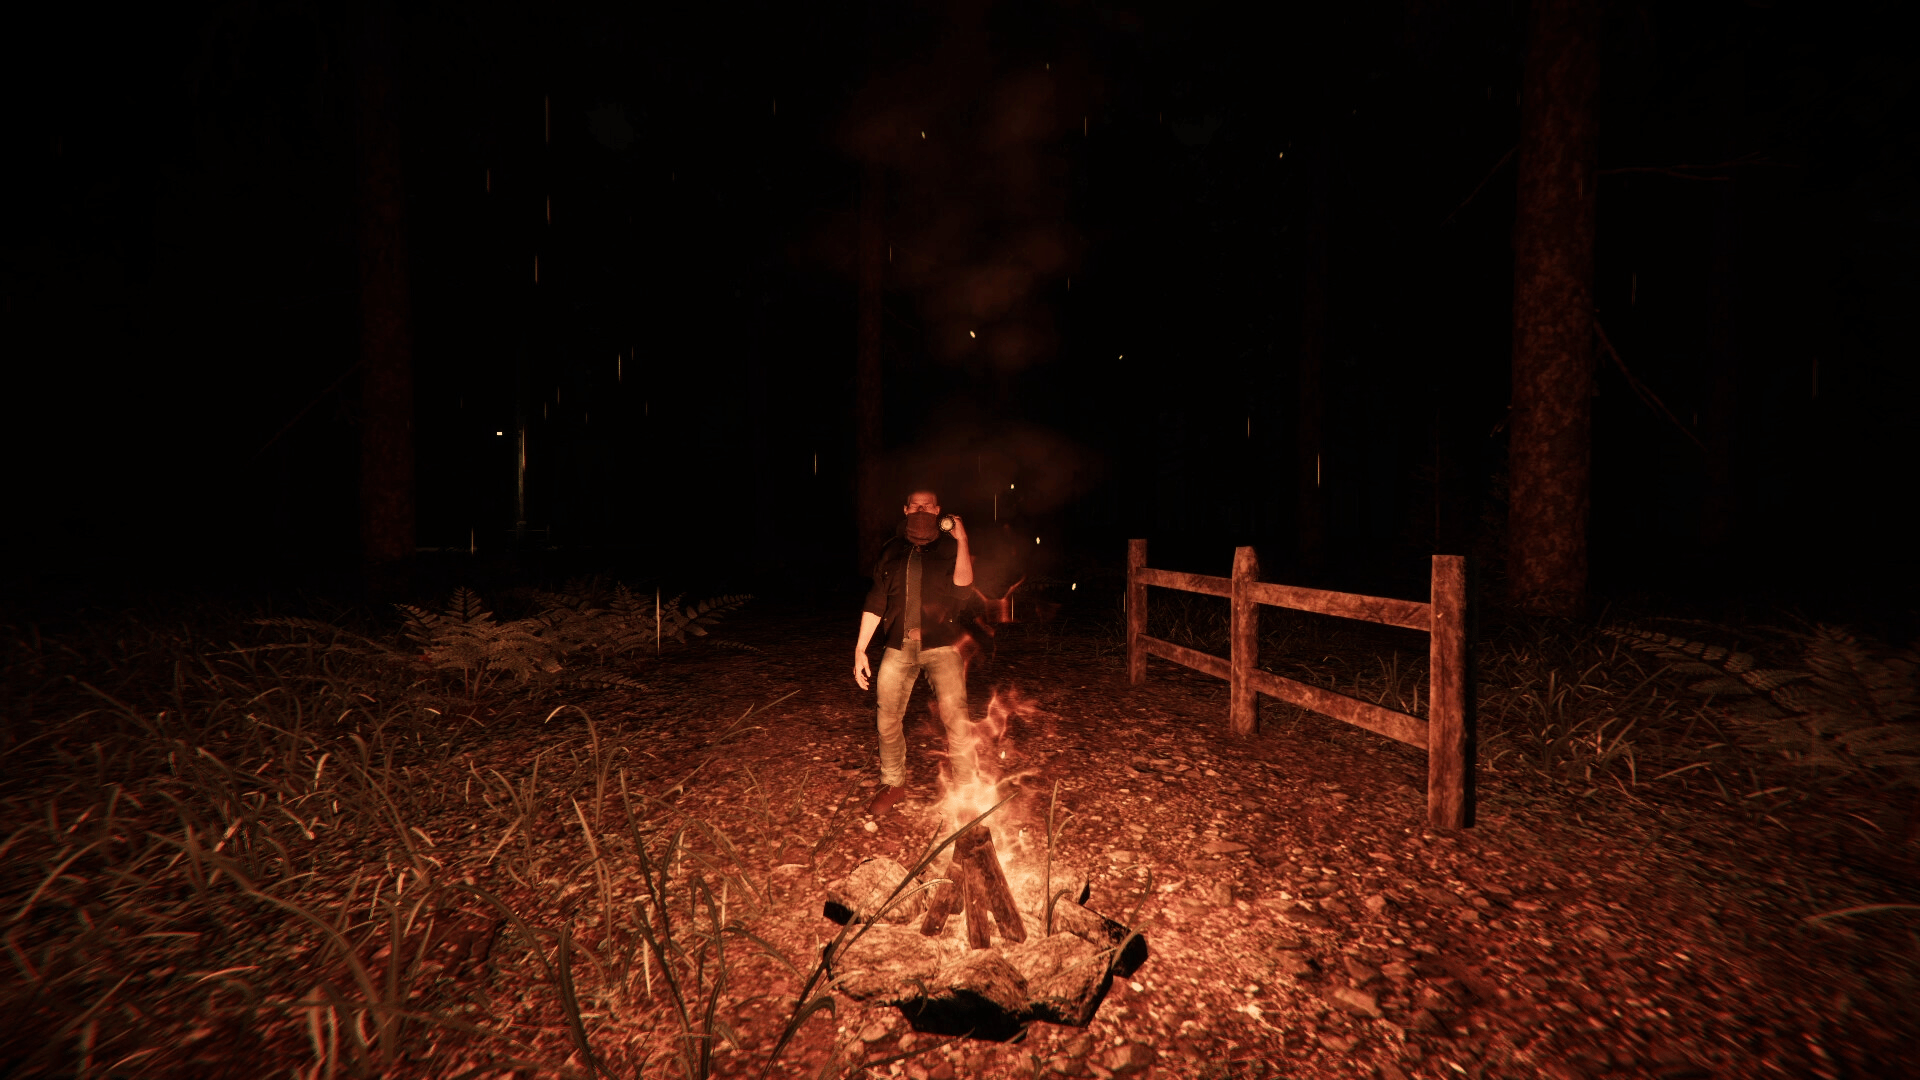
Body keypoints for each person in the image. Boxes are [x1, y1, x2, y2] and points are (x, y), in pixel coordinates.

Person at [853, 488, 974, 816]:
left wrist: (962, 540)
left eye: (927, 505)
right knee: (887, 718)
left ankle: (967, 790)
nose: (921, 510)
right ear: (906, 509)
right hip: (898, 646)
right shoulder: (891, 550)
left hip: (942, 645)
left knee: (957, 718)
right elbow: (877, 599)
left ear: (938, 510)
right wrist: (860, 649)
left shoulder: (949, 547)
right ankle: (893, 783)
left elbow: (963, 589)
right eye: (915, 505)